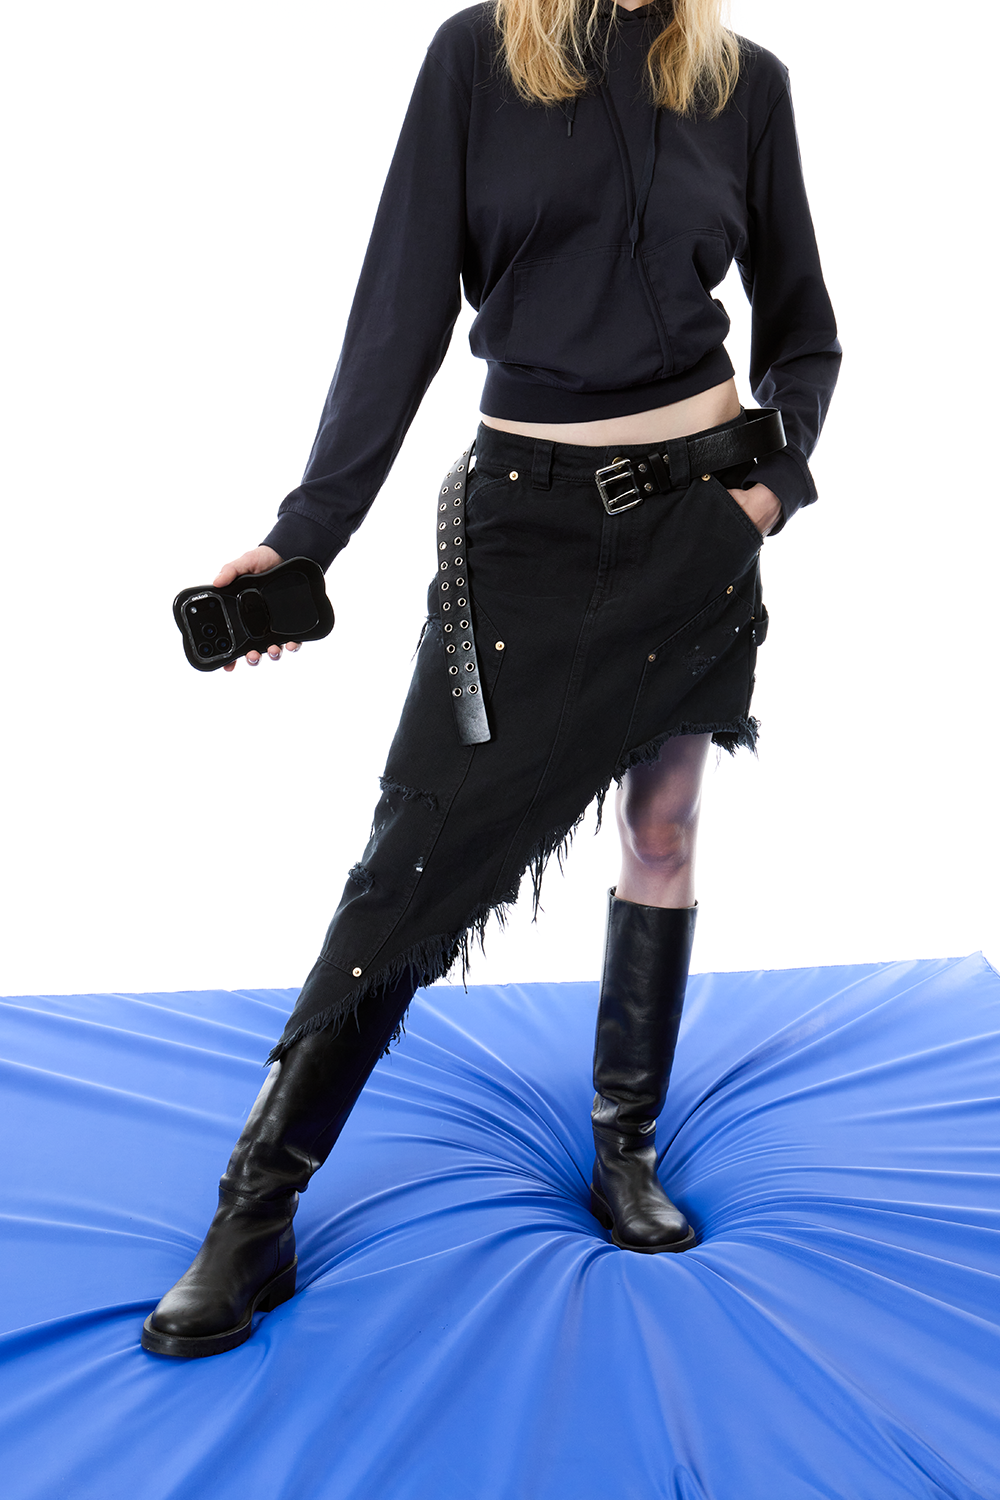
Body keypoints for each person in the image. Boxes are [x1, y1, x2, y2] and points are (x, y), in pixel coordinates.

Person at [142, 0, 840, 1358]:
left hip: (696, 524)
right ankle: (254, 1210)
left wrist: (766, 493)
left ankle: (625, 1148)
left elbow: (805, 328)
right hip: (524, 524)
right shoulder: (477, 55)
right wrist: (307, 536)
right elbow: (398, 312)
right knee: (408, 861)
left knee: (663, 829)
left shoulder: (745, 81)